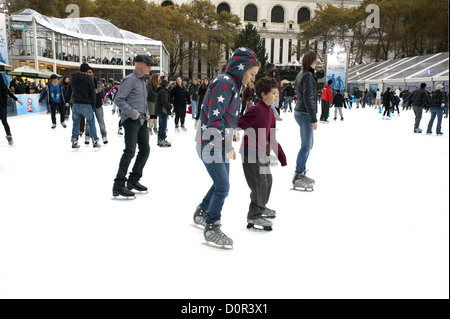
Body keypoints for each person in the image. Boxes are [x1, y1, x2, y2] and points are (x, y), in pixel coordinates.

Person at [193, 47, 260, 249]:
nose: (252, 79)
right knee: (222, 186)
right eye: (251, 74)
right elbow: (214, 120)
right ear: (242, 69)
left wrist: (231, 132)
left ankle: (202, 211)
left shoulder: (233, 86)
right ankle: (211, 226)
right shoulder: (225, 83)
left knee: (221, 183)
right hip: (210, 142)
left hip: (218, 141)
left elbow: (225, 117)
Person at [237, 76, 287, 231]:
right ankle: (254, 215)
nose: (276, 96)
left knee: (267, 179)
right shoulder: (255, 110)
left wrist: (281, 156)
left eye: (277, 93)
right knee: (259, 183)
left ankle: (260, 207)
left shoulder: (270, 112)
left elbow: (271, 137)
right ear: (263, 94)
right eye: (273, 93)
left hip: (262, 152)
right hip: (250, 152)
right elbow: (239, 123)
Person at [112, 55, 154, 198]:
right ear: (138, 64)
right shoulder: (129, 80)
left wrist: (146, 112)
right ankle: (118, 185)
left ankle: (133, 180)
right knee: (129, 150)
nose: (149, 67)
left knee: (145, 149)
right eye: (147, 65)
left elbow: (142, 100)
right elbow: (119, 99)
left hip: (141, 120)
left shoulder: (142, 81)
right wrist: (133, 113)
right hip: (131, 120)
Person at [292, 49, 318, 191]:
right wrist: (313, 118)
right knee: (306, 145)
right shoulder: (307, 75)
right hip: (304, 113)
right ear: (314, 62)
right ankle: (297, 175)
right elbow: (309, 98)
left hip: (301, 111)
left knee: (309, 144)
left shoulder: (302, 73)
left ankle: (301, 171)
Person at [70, 63, 101, 149]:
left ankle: (74, 140)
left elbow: (71, 89)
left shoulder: (73, 78)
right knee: (91, 122)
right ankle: (95, 140)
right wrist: (93, 106)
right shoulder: (88, 79)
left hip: (75, 104)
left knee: (75, 123)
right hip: (86, 104)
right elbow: (92, 94)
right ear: (87, 70)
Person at [85, 67, 108, 144]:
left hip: (98, 104)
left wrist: (97, 90)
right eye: (87, 72)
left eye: (90, 72)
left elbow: (99, 88)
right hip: (89, 104)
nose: (88, 73)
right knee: (88, 122)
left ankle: (104, 135)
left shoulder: (97, 81)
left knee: (101, 121)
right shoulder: (85, 81)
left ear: (93, 73)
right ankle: (87, 136)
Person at [1, 77, 23, 146]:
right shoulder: (3, 86)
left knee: (4, 121)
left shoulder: (3, 86)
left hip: (2, 106)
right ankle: (9, 136)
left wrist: (17, 99)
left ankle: (9, 136)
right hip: (3, 105)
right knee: (4, 122)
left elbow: (9, 94)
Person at [155, 80, 172, 147]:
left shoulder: (160, 90)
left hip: (160, 110)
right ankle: (162, 139)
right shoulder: (163, 91)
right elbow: (164, 102)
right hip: (163, 110)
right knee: (163, 126)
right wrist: (170, 106)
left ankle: (160, 139)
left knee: (161, 125)